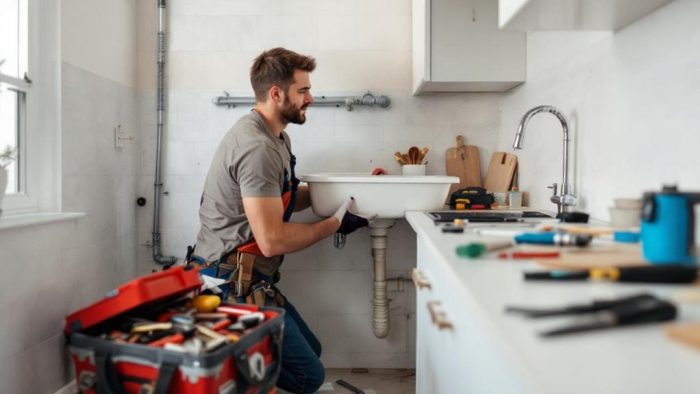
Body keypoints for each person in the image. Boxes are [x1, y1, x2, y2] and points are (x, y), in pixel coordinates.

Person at [188, 47, 372, 394]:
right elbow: (272, 239)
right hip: (227, 285)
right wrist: (332, 225)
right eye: (303, 90)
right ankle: (226, 374)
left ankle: (239, 366)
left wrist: (346, 197)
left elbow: (282, 200)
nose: (311, 98)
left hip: (249, 278)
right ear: (276, 93)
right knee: (308, 376)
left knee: (312, 353)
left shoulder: (277, 138)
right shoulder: (256, 148)